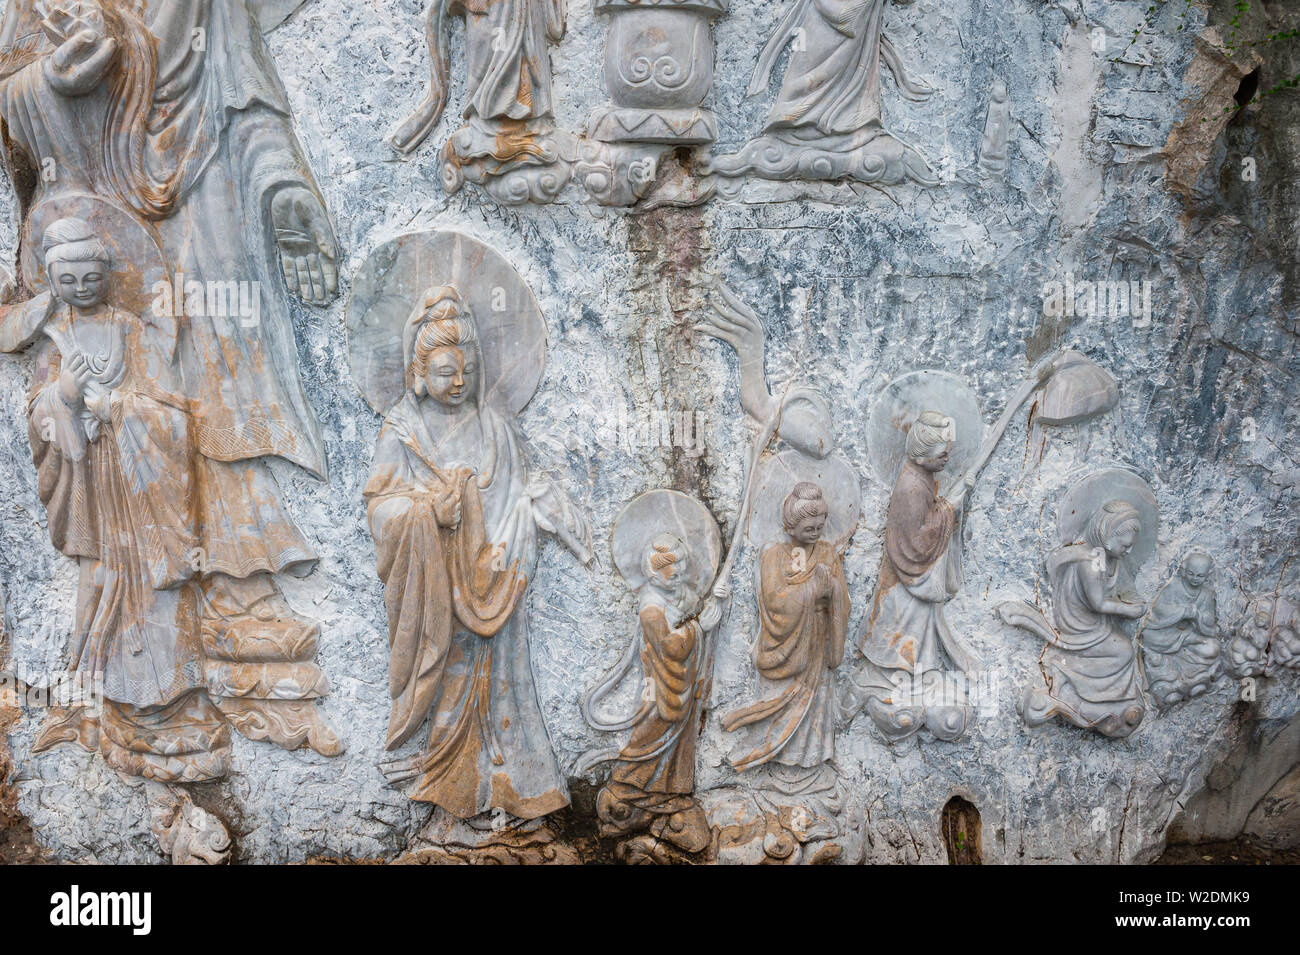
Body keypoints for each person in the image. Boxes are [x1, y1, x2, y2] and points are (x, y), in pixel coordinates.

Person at [365, 286, 587, 822]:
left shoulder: (496, 429)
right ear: (419, 372)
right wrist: (427, 514)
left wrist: (517, 533)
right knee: (452, 681)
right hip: (439, 585)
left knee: (504, 688)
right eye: (444, 373)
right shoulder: (403, 431)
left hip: (496, 580)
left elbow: (514, 496)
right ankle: (449, 794)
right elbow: (380, 505)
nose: (457, 381)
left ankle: (510, 788)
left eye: (464, 370)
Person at [844, 411, 977, 742]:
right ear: (922, 455)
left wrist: (945, 505)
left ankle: (916, 674)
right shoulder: (910, 487)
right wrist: (950, 508)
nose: (948, 458)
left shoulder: (921, 478)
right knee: (899, 625)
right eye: (943, 454)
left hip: (913, 577)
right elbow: (915, 542)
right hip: (907, 575)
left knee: (918, 629)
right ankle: (884, 673)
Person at [594, 533, 725, 854]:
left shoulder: (680, 592)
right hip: (661, 687)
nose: (678, 572)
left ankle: (669, 792)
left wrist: (716, 599)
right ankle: (628, 785)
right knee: (651, 733)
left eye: (682, 565)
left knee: (679, 741)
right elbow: (670, 647)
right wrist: (699, 628)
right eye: (671, 567)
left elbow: (696, 604)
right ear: (654, 572)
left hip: (682, 690)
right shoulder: (651, 607)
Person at [724, 482, 849, 773]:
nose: (816, 532)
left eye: (820, 526)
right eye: (809, 528)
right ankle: (775, 764)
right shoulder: (774, 553)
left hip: (817, 645)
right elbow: (774, 602)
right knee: (778, 710)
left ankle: (811, 762)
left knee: (816, 706)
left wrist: (832, 590)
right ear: (791, 526)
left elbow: (842, 599)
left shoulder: (828, 553)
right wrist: (811, 591)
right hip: (786, 647)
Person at [1022, 500, 1147, 738]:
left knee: (1122, 650)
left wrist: (1129, 599)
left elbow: (1119, 588)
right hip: (1082, 626)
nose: (1129, 551)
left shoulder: (1104, 558)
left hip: (1097, 624)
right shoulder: (1089, 563)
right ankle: (1067, 676)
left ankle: (1109, 700)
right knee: (1123, 652)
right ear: (1108, 532)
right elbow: (1098, 603)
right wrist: (1128, 610)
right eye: (1126, 545)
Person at [1141, 551, 1220, 707]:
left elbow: (1210, 621)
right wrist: (1183, 611)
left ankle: (1196, 679)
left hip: (1188, 636)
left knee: (1213, 648)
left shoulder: (1206, 593)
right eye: (1191, 573)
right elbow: (1158, 610)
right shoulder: (1172, 586)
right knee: (1149, 640)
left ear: (1207, 575)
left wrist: (1198, 615)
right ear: (1183, 570)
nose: (1195, 579)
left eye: (1200, 576)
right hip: (1165, 634)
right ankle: (1166, 685)